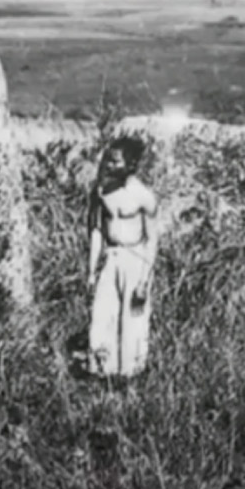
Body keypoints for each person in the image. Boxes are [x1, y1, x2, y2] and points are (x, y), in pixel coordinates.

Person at [84, 136, 160, 378]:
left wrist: (144, 280)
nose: (108, 165)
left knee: (133, 319)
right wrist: (91, 271)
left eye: (115, 161)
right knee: (103, 313)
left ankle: (130, 374)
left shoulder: (143, 196)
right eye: (108, 159)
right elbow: (96, 232)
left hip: (135, 259)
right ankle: (102, 369)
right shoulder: (101, 193)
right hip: (111, 257)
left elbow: (152, 240)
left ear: (131, 164)